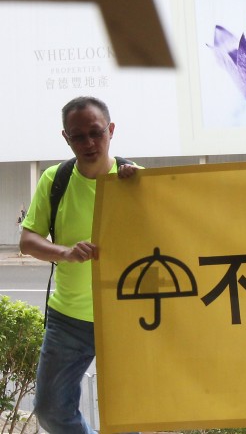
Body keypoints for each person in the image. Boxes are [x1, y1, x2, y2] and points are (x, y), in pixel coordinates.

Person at [19, 96, 138, 434]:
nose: (88, 143)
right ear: (65, 138)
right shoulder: (55, 180)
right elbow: (28, 241)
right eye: (78, 136)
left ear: (111, 130)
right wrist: (66, 252)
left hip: (128, 316)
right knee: (50, 411)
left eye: (96, 132)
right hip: (69, 319)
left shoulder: (135, 181)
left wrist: (140, 193)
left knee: (131, 415)